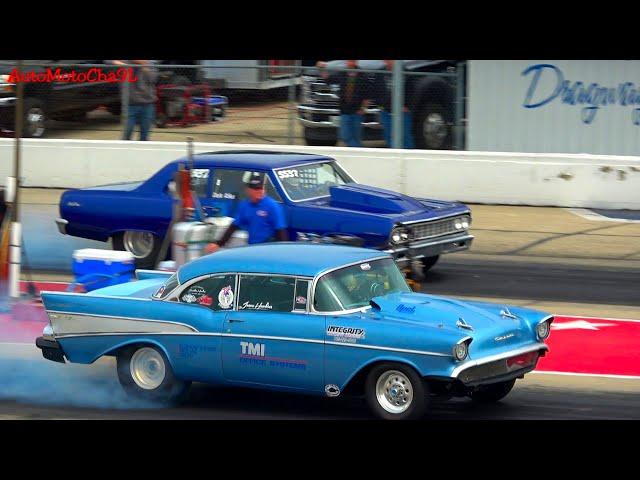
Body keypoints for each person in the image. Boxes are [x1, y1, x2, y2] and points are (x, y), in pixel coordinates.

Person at [205, 172, 288, 253]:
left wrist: (281, 251)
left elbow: (280, 230)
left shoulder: (272, 206)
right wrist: (219, 243)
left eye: (260, 188)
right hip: (252, 247)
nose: (259, 191)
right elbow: (234, 226)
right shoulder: (245, 205)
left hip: (267, 248)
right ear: (249, 190)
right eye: (255, 189)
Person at [317, 60, 371, 147]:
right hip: (345, 111)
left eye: (352, 61)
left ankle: (355, 155)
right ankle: (357, 150)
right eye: (348, 61)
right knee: (345, 135)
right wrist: (321, 69)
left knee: (356, 136)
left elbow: (368, 94)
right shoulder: (342, 73)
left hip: (357, 112)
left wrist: (363, 108)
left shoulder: (363, 75)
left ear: (356, 62)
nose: (350, 62)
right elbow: (328, 79)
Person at [111, 60, 158, 141]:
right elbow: (107, 61)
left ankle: (143, 150)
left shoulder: (149, 64)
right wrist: (114, 62)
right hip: (130, 104)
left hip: (147, 103)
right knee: (128, 130)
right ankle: (125, 149)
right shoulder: (126, 62)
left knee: (145, 132)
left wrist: (144, 66)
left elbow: (153, 79)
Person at [375, 60, 415, 149]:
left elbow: (412, 91)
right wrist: (381, 106)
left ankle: (408, 156)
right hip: (386, 111)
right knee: (388, 136)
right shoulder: (380, 73)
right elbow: (376, 91)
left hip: (402, 112)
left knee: (405, 136)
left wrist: (406, 106)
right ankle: (394, 156)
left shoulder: (406, 72)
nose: (389, 62)